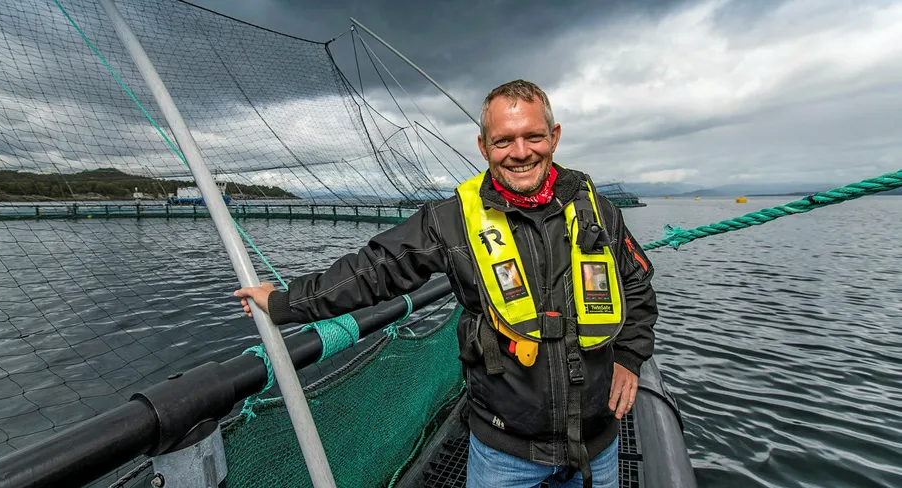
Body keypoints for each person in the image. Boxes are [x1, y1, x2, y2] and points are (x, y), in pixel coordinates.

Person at [234, 79, 658, 488]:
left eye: (533, 136)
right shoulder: (451, 219)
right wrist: (286, 304)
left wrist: (631, 355)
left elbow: (636, 285)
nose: (521, 152)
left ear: (555, 136)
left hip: (596, 443)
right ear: (482, 146)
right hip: (504, 450)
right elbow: (372, 271)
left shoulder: (598, 209)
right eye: (504, 141)